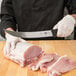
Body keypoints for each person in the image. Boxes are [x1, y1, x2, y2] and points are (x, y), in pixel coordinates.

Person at [0, 0, 76, 54]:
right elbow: (6, 17)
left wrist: (72, 19)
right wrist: (9, 34)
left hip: (58, 46)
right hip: (23, 45)